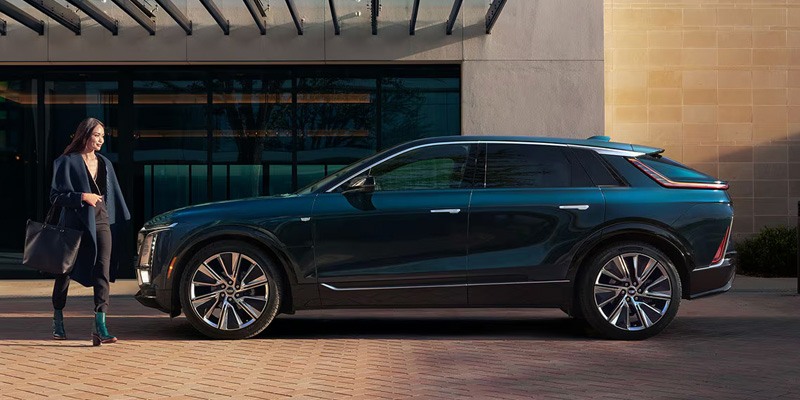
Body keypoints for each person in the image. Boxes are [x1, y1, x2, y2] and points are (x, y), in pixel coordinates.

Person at [50, 118, 131, 346]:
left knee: (102, 272)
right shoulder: (66, 162)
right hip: (74, 224)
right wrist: (81, 197)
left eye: (103, 136)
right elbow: (55, 197)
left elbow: (113, 196)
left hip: (102, 221)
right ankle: (58, 318)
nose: (101, 140)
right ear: (84, 136)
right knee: (64, 272)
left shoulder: (105, 163)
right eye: (97, 135)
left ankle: (100, 325)